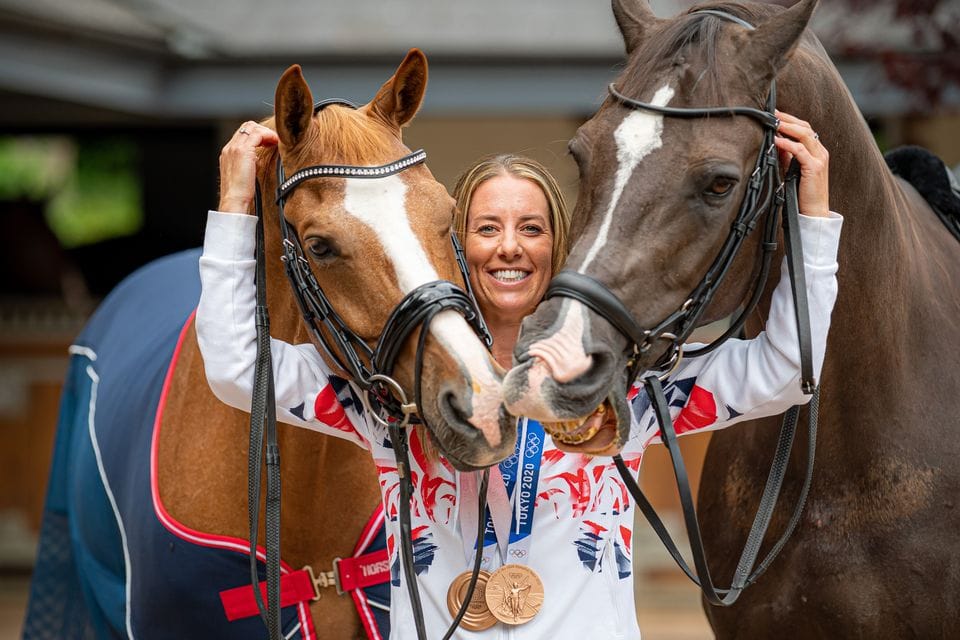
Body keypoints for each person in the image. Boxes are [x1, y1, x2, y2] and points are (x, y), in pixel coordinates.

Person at [197, 111, 840, 639]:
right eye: (487, 229)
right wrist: (234, 209)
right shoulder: (390, 399)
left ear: (555, 245)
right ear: (457, 248)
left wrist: (811, 220)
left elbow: (788, 369)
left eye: (530, 228)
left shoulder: (623, 385)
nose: (509, 246)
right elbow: (234, 371)